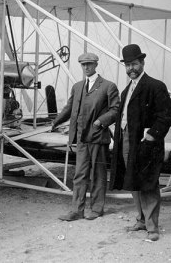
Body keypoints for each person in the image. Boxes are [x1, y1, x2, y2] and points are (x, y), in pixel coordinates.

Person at [110, 44, 171, 241]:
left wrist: (152, 136)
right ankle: (141, 219)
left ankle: (152, 227)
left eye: (134, 64)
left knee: (148, 182)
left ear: (142, 62)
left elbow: (165, 116)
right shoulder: (126, 90)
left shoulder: (155, 86)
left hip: (146, 143)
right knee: (132, 180)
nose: (131, 68)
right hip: (126, 141)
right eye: (128, 65)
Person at [52, 52, 119, 221]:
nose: (86, 67)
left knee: (98, 174)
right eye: (83, 64)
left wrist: (100, 122)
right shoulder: (77, 86)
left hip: (97, 137)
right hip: (81, 138)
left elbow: (115, 110)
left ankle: (96, 209)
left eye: (89, 64)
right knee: (80, 175)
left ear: (96, 65)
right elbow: (69, 109)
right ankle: (77, 210)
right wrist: (56, 122)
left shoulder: (108, 86)